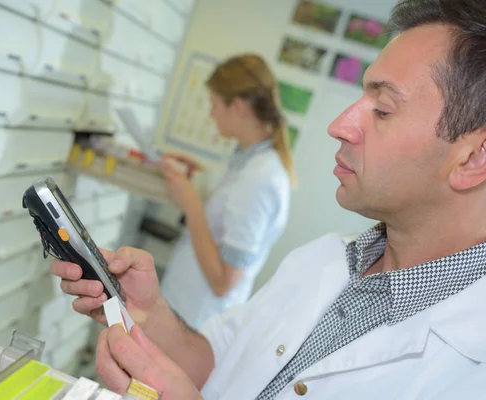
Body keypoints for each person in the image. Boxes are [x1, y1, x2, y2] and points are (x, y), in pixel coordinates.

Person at [51, 0, 486, 398]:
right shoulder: (322, 259)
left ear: (472, 158)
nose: (339, 125)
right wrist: (150, 313)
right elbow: (216, 361)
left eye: (384, 109)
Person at [156, 54, 295, 328]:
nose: (211, 114)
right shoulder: (247, 162)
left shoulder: (260, 178)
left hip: (198, 320)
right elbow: (229, 216)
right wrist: (204, 182)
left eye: (215, 104)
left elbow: (224, 282)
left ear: (239, 107)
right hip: (184, 310)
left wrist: (192, 206)